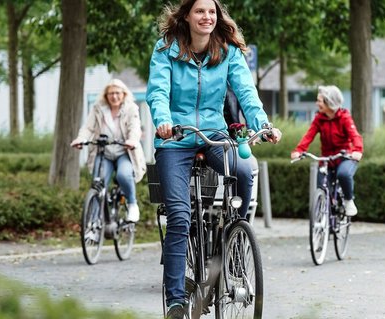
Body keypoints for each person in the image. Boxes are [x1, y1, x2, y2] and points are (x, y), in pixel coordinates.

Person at [145, 0, 282, 317]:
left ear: (217, 17)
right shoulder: (166, 49)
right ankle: (177, 301)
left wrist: (262, 125)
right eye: (199, 11)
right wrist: (163, 120)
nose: (206, 17)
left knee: (246, 170)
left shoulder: (228, 52)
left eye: (212, 11)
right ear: (187, 16)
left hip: (214, 134)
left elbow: (246, 92)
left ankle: (235, 240)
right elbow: (157, 91)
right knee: (180, 218)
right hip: (176, 138)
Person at [71, 79, 147, 223]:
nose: (114, 96)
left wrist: (132, 140)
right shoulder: (98, 108)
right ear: (106, 96)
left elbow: (135, 128)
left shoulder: (131, 108)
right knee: (98, 183)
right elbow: (88, 127)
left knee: (124, 175)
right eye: (111, 93)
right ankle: (93, 223)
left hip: (124, 152)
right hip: (104, 152)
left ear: (123, 94)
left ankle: (132, 204)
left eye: (117, 93)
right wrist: (80, 139)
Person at [290, 85, 363, 217]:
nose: (317, 103)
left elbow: (355, 135)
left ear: (330, 102)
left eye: (320, 101)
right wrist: (299, 150)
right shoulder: (319, 118)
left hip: (344, 156)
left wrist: (357, 150)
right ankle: (325, 217)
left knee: (344, 174)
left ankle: (348, 200)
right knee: (322, 186)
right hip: (327, 159)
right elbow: (309, 135)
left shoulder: (344, 117)